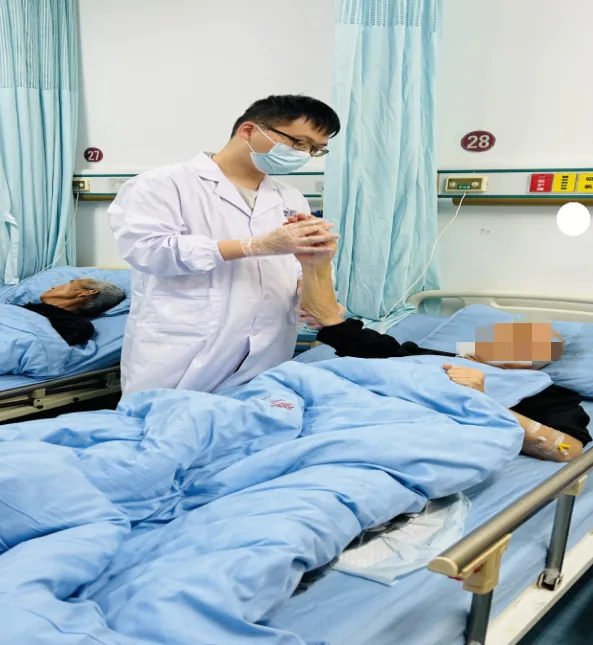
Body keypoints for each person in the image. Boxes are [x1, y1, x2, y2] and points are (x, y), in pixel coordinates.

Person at [108, 94, 341, 396]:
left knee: (251, 422)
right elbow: (149, 251)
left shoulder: (289, 197)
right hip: (182, 353)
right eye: (298, 143)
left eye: (314, 149)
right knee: (166, 421)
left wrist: (312, 291)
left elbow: (294, 266)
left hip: (266, 353)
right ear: (249, 130)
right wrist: (255, 245)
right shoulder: (162, 184)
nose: (304, 155)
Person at [294, 229, 590, 463]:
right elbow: (333, 322)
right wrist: (315, 264)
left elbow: (567, 450)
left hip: (407, 438)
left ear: (539, 363)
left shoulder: (547, 395)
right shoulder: (424, 356)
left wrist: (482, 401)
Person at [20, 279, 125, 346]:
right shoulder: (28, 308)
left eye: (70, 282)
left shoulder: (76, 326)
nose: (53, 287)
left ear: (88, 292)